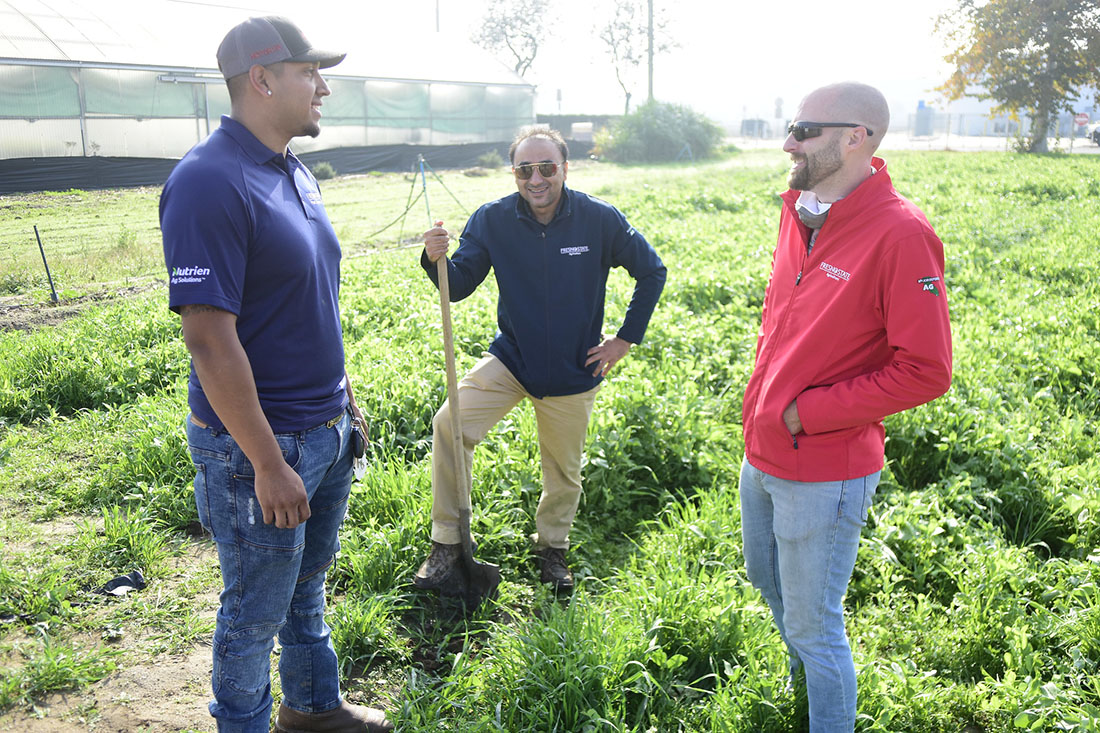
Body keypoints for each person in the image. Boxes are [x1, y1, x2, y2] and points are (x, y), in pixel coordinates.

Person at [159, 16, 391, 733]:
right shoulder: (207, 181)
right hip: (259, 450)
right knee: (253, 611)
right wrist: (265, 460)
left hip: (322, 431)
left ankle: (312, 706)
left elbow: (305, 298)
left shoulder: (293, 169)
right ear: (261, 80)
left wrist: (342, 400)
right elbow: (208, 337)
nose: (323, 86)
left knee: (306, 586)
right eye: (308, 72)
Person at [738, 82, 952, 732]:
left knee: (815, 621)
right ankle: (804, 681)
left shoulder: (902, 234)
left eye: (804, 129)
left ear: (856, 136)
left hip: (825, 467)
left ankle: (827, 709)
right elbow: (783, 318)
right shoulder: (797, 211)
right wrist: (768, 408)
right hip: (763, 450)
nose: (788, 142)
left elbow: (928, 370)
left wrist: (810, 412)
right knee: (768, 584)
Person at [413, 125, 666, 593]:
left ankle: (552, 550)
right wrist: (436, 259)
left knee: (563, 471)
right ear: (514, 174)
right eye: (524, 169)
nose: (536, 179)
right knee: (450, 424)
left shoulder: (598, 219)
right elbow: (461, 282)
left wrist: (624, 340)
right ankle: (448, 541)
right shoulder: (492, 219)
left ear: (564, 169)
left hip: (575, 369)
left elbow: (651, 271)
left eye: (546, 167)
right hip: (512, 360)